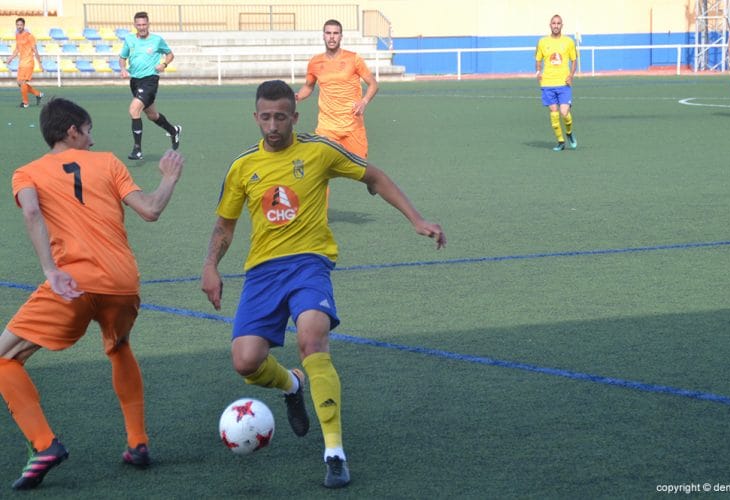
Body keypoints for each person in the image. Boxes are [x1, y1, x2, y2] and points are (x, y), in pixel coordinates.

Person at [200, 80, 445, 489]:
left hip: (309, 264)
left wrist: (416, 219)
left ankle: (334, 452)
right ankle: (292, 384)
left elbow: (375, 177)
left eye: (281, 116)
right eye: (266, 117)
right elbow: (225, 225)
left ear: (295, 116)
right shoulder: (242, 166)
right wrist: (210, 265)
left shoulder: (319, 151)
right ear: (255, 117)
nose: (273, 125)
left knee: (312, 338)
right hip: (262, 272)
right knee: (245, 362)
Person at [0, 97, 183, 490]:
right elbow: (150, 210)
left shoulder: (26, 172)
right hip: (123, 283)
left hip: (74, 284)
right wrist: (168, 177)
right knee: (119, 346)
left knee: (3, 359)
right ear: (72, 131)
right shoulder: (109, 162)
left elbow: (32, 213)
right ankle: (137, 443)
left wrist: (50, 270)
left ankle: (44, 444)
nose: (92, 137)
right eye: (88, 130)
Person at [295, 19, 378, 159]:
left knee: (362, 171)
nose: (332, 36)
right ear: (323, 36)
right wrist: (296, 97)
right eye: (328, 33)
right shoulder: (315, 62)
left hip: (352, 126)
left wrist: (364, 102)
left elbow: (373, 84)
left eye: (335, 33)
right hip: (327, 128)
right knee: (321, 169)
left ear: (341, 36)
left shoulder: (354, 59)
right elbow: (308, 86)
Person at [119, 11, 181, 160]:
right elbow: (122, 57)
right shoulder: (129, 40)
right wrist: (122, 68)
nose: (142, 27)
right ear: (135, 25)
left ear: (148, 24)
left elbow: (170, 54)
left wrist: (164, 64)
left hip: (150, 80)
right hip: (135, 81)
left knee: (134, 110)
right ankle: (173, 130)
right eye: (139, 25)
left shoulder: (157, 40)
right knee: (152, 115)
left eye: (144, 24)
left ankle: (137, 150)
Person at [535, 14, 578, 151]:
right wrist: (538, 72)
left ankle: (569, 133)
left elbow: (574, 60)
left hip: (563, 83)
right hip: (547, 83)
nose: (556, 25)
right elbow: (538, 60)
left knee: (564, 112)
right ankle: (560, 141)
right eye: (553, 23)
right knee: (554, 113)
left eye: (558, 23)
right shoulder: (542, 42)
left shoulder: (568, 42)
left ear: (562, 25)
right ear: (550, 25)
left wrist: (571, 75)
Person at [4, 18, 44, 109]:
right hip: (22, 62)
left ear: (24, 25)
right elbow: (17, 49)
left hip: (29, 62)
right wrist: (11, 57)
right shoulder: (17, 35)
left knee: (22, 82)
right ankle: (38, 94)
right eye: (17, 25)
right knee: (19, 83)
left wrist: (40, 64)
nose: (19, 26)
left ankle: (25, 103)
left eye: (21, 25)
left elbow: (35, 50)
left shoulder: (30, 36)